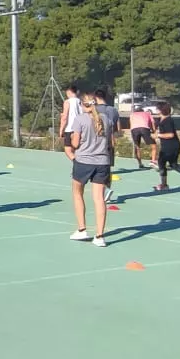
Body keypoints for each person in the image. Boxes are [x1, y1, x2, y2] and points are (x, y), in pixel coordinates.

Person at [65, 93, 113, 247]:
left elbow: (75, 144)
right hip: (102, 162)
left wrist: (71, 139)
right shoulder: (106, 119)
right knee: (99, 199)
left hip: (84, 161)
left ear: (82, 105)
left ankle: (82, 229)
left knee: (77, 193)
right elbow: (110, 143)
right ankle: (99, 236)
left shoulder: (80, 119)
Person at [92, 88, 121, 203]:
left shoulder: (94, 110)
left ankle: (101, 192)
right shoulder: (113, 110)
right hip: (109, 142)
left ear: (95, 98)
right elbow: (118, 129)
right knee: (107, 168)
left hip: (95, 143)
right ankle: (107, 190)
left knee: (95, 169)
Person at [128, 102, 156, 170]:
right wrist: (153, 130)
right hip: (144, 128)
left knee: (137, 147)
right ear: (143, 111)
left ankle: (140, 164)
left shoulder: (132, 114)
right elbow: (152, 122)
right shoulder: (147, 113)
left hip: (134, 130)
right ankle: (153, 161)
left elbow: (131, 124)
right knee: (153, 145)